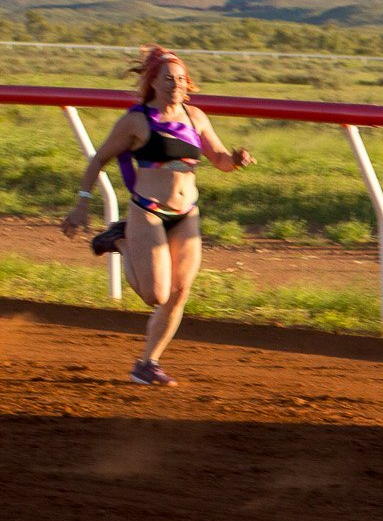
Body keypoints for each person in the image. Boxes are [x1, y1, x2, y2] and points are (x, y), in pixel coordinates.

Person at [59, 46, 255, 385]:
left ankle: (147, 363)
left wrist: (236, 160)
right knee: (156, 295)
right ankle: (120, 240)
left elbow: (220, 160)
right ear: (153, 82)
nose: (176, 84)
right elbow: (99, 159)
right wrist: (82, 203)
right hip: (148, 212)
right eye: (168, 79)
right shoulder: (136, 120)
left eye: (181, 78)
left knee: (180, 293)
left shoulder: (196, 117)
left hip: (186, 214)